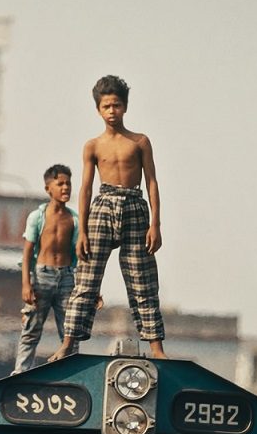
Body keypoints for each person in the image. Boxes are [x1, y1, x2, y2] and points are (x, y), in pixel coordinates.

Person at [53, 74, 167, 361]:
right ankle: (68, 343)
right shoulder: (93, 146)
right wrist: (81, 232)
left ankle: (156, 348)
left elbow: (151, 181)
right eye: (106, 106)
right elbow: (85, 187)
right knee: (86, 280)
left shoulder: (140, 142)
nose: (112, 111)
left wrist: (156, 224)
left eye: (116, 105)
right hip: (103, 206)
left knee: (143, 280)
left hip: (134, 206)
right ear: (98, 110)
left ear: (125, 107)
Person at [15, 164, 81, 373]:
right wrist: (27, 283)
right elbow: (27, 252)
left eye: (68, 183)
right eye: (60, 183)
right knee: (31, 329)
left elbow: (81, 254)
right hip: (42, 276)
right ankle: (21, 373)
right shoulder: (38, 217)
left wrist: (88, 288)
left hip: (67, 278)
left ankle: (70, 376)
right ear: (48, 189)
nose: (65, 188)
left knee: (70, 330)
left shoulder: (75, 219)